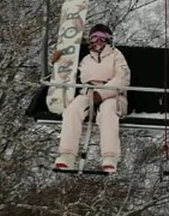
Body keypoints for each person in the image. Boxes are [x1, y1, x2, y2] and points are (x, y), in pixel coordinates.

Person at [53, 24, 130, 174]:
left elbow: (122, 79)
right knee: (72, 110)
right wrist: (57, 61)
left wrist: (101, 94)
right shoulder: (85, 58)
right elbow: (66, 73)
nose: (99, 41)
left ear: (109, 40)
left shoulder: (116, 55)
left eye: (103, 38)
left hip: (113, 94)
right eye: (95, 37)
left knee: (107, 112)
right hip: (88, 92)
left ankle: (109, 157)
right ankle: (67, 155)